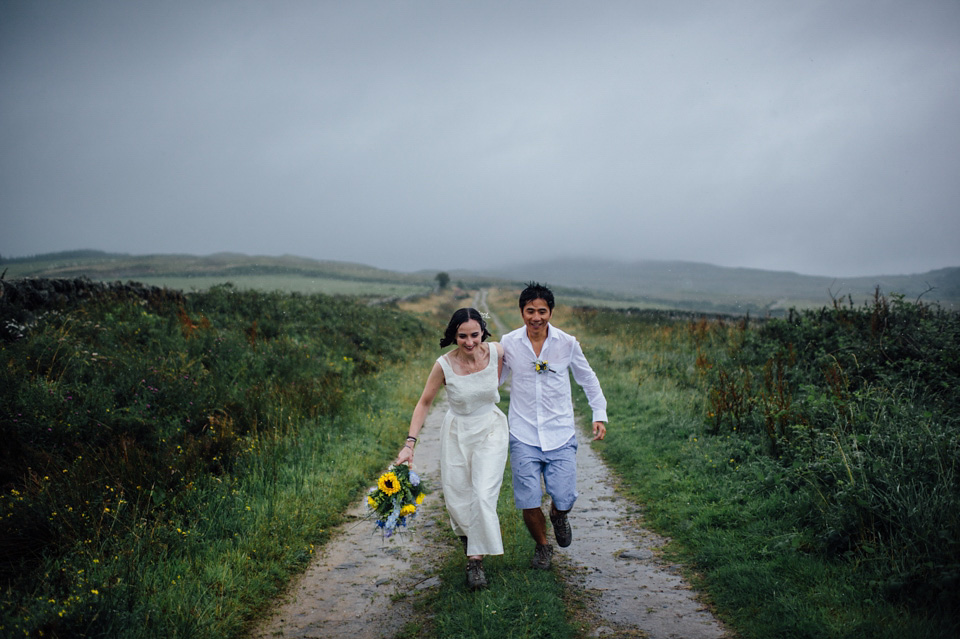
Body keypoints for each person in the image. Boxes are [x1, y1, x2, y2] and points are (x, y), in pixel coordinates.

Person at [396, 307, 508, 591]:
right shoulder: (443, 365)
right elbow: (424, 403)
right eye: (462, 336)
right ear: (453, 335)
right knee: (458, 496)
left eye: (474, 335)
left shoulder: (497, 352)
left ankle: (475, 562)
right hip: (457, 431)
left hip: (491, 429)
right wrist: (410, 444)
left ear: (483, 331)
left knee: (483, 494)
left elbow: (533, 367)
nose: (469, 342)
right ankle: (471, 539)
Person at [499, 282, 608, 570]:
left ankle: (559, 516)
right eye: (530, 311)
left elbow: (588, 378)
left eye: (542, 311)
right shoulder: (509, 343)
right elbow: (494, 381)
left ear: (551, 312)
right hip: (523, 433)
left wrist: (599, 413)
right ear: (522, 312)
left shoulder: (567, 343)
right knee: (528, 498)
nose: (536, 317)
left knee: (564, 495)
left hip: (560, 432)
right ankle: (543, 546)